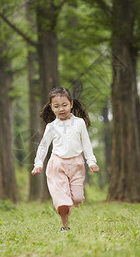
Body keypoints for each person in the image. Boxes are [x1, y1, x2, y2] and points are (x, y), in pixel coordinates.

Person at [31, 86, 100, 231]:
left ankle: (70, 203)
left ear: (71, 104)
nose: (61, 109)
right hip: (57, 164)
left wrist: (91, 161)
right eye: (56, 106)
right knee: (63, 201)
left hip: (76, 164)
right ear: (51, 107)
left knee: (77, 198)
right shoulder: (51, 126)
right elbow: (43, 146)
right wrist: (38, 163)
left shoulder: (79, 123)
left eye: (64, 105)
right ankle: (65, 226)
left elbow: (86, 143)